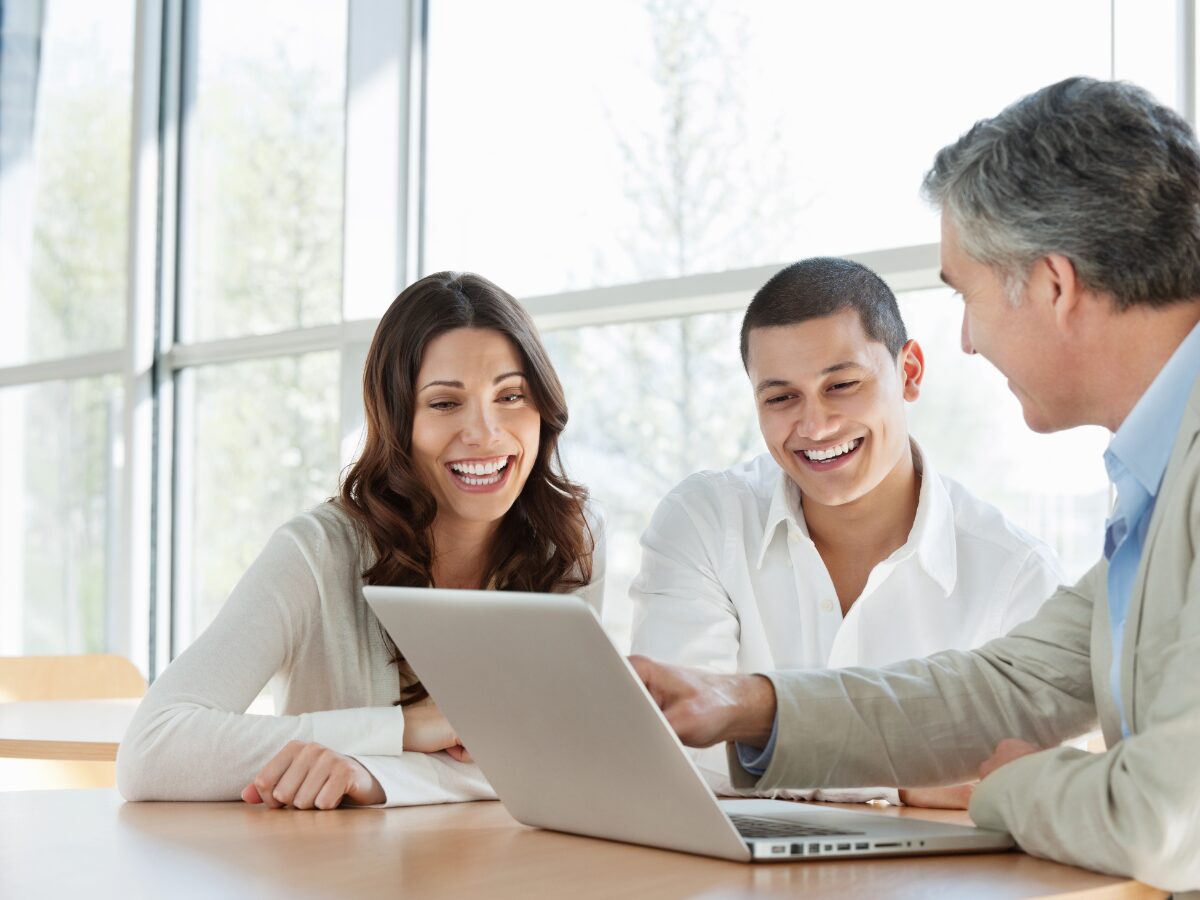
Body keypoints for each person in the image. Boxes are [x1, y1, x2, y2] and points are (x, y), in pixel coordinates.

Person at [630, 77, 1200, 892]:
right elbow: (1006, 685)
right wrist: (750, 706)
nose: (966, 339)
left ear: (1052, 285)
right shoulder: (1160, 473)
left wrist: (1005, 785)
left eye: (965, 294)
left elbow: (1167, 819)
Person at [117, 272, 604, 810]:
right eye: (444, 404)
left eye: (511, 395)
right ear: (397, 420)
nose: (486, 432)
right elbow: (152, 750)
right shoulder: (316, 551)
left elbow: (568, 753)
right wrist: (401, 730)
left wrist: (374, 775)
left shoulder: (569, 542)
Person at [630, 256, 1063, 807]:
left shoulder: (1014, 575)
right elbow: (673, 743)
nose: (814, 426)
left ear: (909, 373)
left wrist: (765, 742)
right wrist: (905, 778)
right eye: (781, 397)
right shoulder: (705, 519)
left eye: (842, 385)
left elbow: (1029, 778)